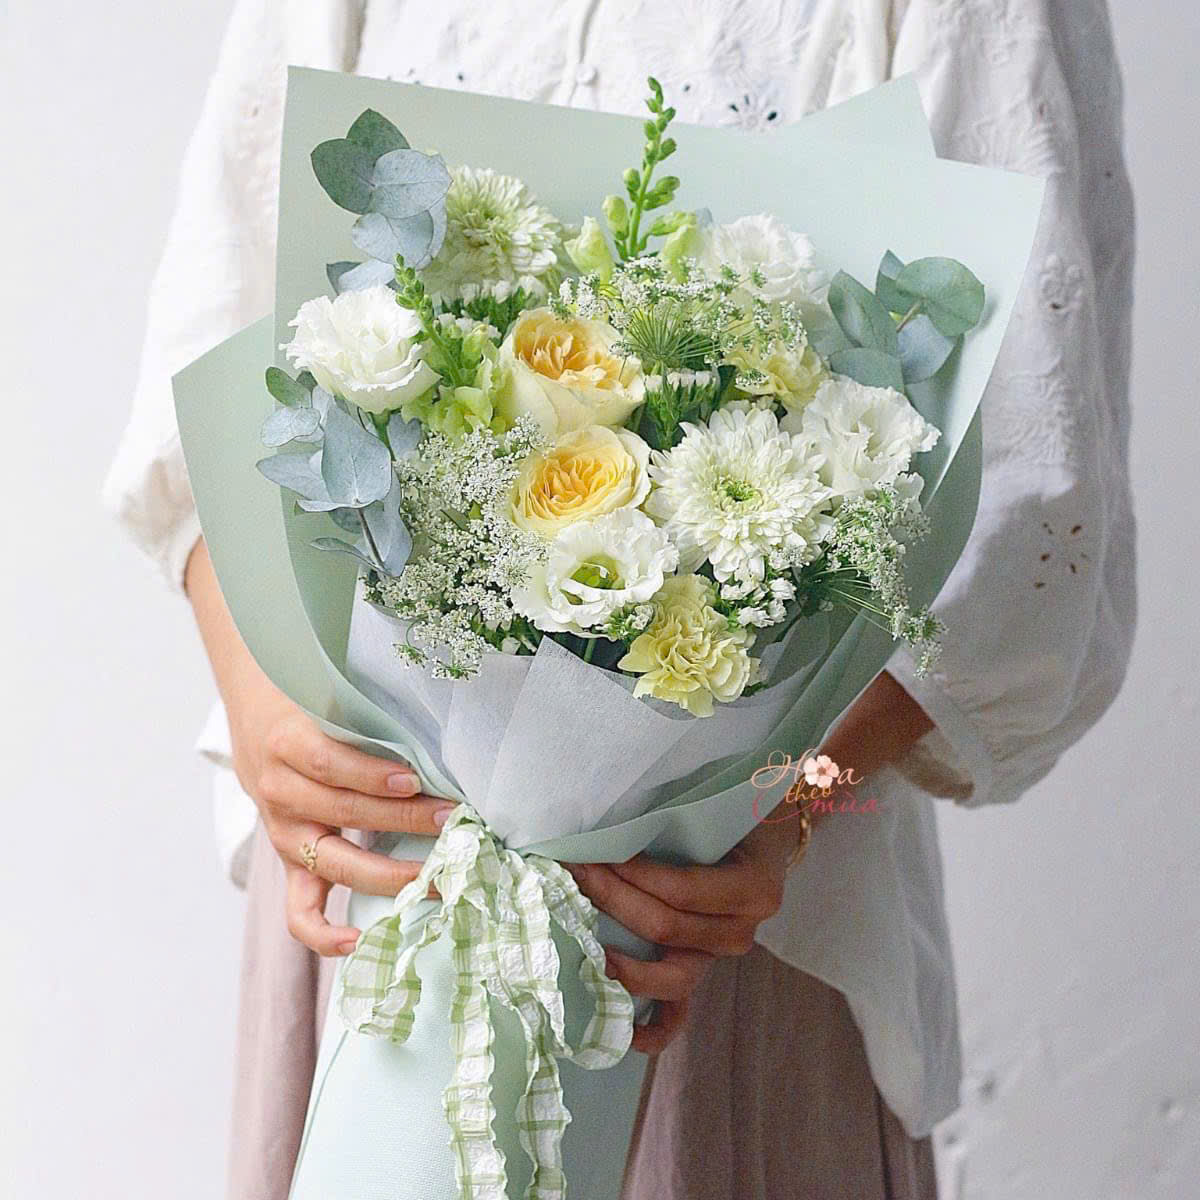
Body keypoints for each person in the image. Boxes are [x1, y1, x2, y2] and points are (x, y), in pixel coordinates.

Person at [103, 1, 1136, 1197]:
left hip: (714, 931)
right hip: (371, 894)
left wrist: (789, 811)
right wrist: (262, 710)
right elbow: (206, 353)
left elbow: (1027, 519)